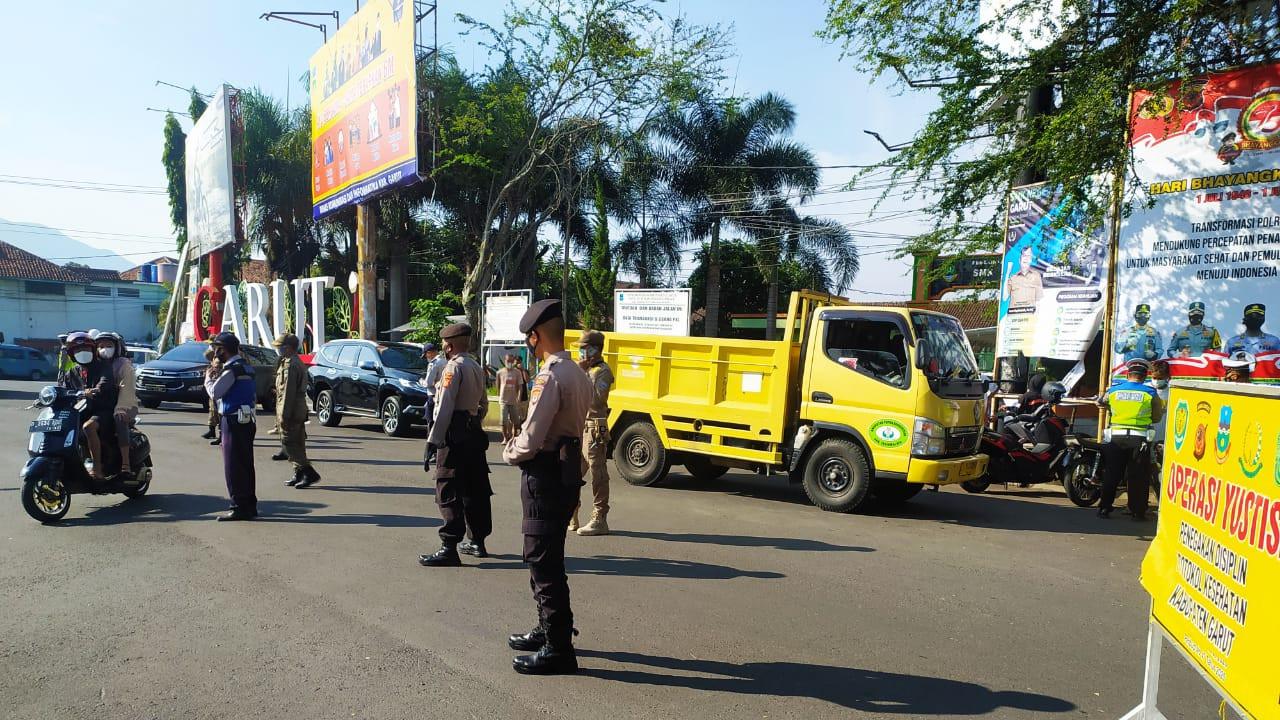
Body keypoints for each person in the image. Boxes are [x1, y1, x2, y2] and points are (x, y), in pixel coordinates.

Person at [503, 299, 592, 675]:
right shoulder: (578, 373)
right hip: (566, 472)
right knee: (549, 556)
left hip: (545, 475)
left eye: (530, 339)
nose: (529, 345)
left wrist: (510, 452)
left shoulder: (549, 376)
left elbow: (531, 436)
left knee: (543, 560)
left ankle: (558, 648)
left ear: (536, 337)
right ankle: (548, 629)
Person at [419, 323, 493, 566]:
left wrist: (434, 440)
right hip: (473, 431)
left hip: (455, 433)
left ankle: (449, 546)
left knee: (448, 486)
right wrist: (473, 422)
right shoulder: (475, 366)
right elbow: (484, 403)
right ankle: (477, 541)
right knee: (476, 488)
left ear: (449, 345)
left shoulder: (453, 368)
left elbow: (444, 407)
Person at [1097, 358, 1164, 521]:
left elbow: (1100, 403)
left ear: (1128, 374)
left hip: (1115, 438)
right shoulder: (1150, 393)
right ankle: (1138, 511)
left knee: (1112, 473)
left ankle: (1104, 508)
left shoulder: (1113, 391)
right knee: (1138, 476)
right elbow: (1156, 417)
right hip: (1139, 440)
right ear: (1144, 376)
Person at [205, 332, 258, 521]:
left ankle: (238, 506)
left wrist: (208, 379)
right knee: (246, 464)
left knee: (233, 465)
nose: (215, 352)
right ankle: (249, 504)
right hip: (247, 419)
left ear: (224, 350)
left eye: (217, 348)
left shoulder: (232, 370)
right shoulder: (246, 367)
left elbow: (215, 392)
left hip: (233, 420)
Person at [572, 330, 615, 536]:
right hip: (579, 425)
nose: (580, 352)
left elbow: (597, 400)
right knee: (572, 473)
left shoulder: (602, 371)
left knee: (597, 474)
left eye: (583, 348)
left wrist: (581, 375)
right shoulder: (585, 369)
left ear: (594, 350)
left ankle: (600, 518)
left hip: (594, 426)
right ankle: (572, 513)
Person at [274, 334, 321, 489]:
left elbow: (289, 392)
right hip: (293, 407)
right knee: (296, 442)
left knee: (290, 443)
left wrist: (284, 415)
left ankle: (309, 472)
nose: (278, 349)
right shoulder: (286, 362)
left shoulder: (291, 365)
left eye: (280, 347)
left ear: (288, 347)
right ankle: (298, 472)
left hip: (292, 409)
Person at [96, 331, 138, 479]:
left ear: (117, 347)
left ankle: (125, 464)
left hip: (124, 403)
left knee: (118, 418)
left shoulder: (123, 364)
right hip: (102, 405)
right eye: (100, 346)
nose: (104, 349)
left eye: (108, 345)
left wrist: (121, 408)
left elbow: (127, 389)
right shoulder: (95, 365)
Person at [420, 342, 446, 465]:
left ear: (430, 352)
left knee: (431, 425)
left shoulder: (434, 364)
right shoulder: (445, 361)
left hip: (432, 396)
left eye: (426, 355)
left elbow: (429, 382)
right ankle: (439, 453)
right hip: (443, 397)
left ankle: (432, 453)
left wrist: (421, 381)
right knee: (440, 425)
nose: (426, 357)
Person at [497, 353, 525, 442]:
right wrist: (499, 395)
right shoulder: (500, 372)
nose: (510, 362)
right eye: (508, 361)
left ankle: (513, 437)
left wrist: (519, 398)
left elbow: (520, 386)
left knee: (516, 422)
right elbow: (497, 385)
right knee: (503, 422)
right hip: (503, 401)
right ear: (505, 360)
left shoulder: (517, 372)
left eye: (511, 361)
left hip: (513, 401)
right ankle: (505, 438)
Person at [202, 347, 222, 445]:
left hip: (217, 384)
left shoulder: (220, 358)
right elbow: (207, 355)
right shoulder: (214, 356)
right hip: (213, 383)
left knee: (219, 413)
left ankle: (221, 435)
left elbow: (218, 368)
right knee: (212, 410)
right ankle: (212, 430)